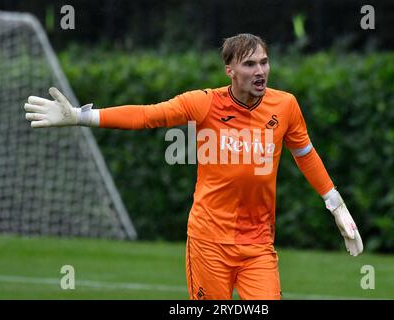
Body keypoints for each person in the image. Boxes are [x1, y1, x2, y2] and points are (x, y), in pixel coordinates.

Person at [24, 33, 363, 300]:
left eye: (264, 62)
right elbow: (147, 115)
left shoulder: (285, 105)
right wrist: (81, 117)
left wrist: (336, 204)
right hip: (209, 242)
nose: (260, 71)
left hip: (258, 244)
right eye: (249, 64)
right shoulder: (204, 103)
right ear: (229, 70)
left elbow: (305, 154)